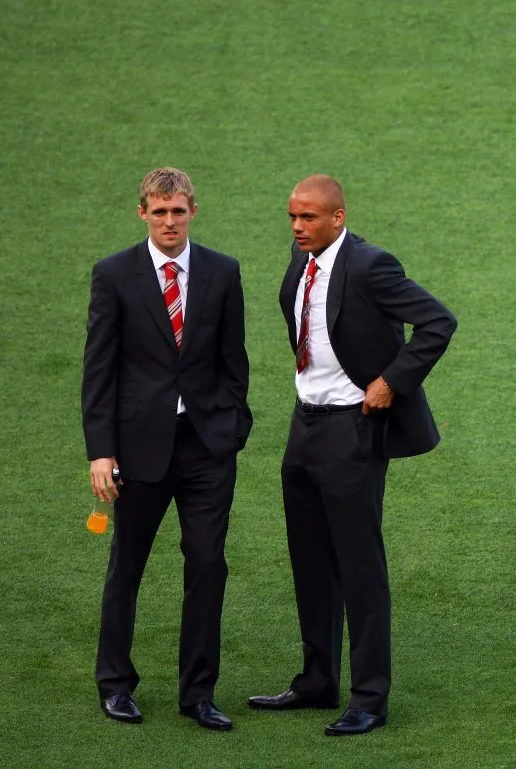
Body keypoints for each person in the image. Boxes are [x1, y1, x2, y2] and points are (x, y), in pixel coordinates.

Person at [247, 175, 456, 736]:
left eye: (308, 218)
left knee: (359, 567)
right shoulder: (301, 262)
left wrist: (392, 380)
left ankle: (369, 697)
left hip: (353, 431)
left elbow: (438, 321)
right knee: (310, 560)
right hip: (304, 427)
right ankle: (317, 680)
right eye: (292, 217)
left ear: (337, 217)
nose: (297, 227)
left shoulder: (370, 265)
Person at [82, 167, 252, 729]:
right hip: (138, 451)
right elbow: (99, 369)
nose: (169, 221)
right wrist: (101, 451)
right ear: (143, 214)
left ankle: (198, 695)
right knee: (126, 567)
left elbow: (235, 360)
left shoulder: (223, 272)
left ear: (193, 212)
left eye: (178, 211)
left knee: (207, 566)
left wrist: (232, 429)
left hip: (206, 450)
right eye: (159, 212)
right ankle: (115, 684)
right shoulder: (113, 275)